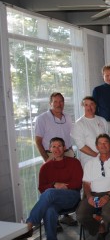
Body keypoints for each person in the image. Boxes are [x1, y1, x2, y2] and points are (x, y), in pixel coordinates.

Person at [25, 137, 83, 240]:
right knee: (50, 209)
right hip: (54, 201)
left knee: (50, 192)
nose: (56, 149)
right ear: (50, 149)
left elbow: (78, 183)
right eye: (54, 146)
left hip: (71, 197)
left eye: (59, 146)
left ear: (64, 148)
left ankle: (30, 223)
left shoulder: (74, 162)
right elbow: (41, 188)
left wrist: (61, 186)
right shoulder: (45, 167)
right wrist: (54, 185)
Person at [34, 92, 76, 226]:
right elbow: (38, 141)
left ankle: (65, 214)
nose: (59, 104)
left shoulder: (68, 117)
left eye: (61, 101)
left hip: (67, 153)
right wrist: (46, 159)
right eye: (55, 102)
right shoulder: (42, 118)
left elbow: (70, 136)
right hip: (51, 154)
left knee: (68, 184)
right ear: (50, 103)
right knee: (52, 185)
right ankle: (53, 217)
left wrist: (71, 153)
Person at [76, 134, 110, 240]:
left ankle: (101, 221)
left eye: (105, 143)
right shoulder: (90, 163)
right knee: (80, 215)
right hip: (93, 194)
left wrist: (108, 196)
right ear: (96, 146)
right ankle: (101, 228)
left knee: (108, 214)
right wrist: (89, 197)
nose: (103, 145)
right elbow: (86, 183)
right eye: (100, 143)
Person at [71, 96, 109, 167]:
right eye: (86, 105)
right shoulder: (79, 124)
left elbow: (108, 140)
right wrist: (98, 156)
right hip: (89, 161)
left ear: (95, 105)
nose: (89, 107)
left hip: (106, 159)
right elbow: (81, 146)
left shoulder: (102, 120)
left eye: (91, 104)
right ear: (83, 107)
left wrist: (106, 155)